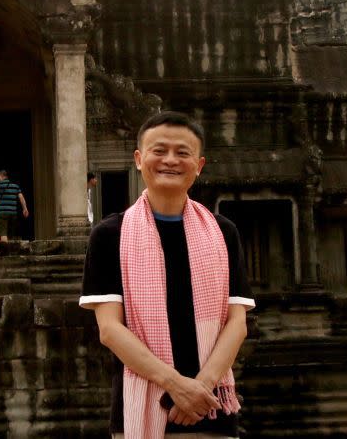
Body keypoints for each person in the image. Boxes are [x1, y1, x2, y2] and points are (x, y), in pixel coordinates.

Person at [79, 111, 255, 438]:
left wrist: (198, 390)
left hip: (210, 408)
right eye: (159, 151)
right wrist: (175, 385)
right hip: (142, 408)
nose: (170, 160)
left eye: (182, 152)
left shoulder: (223, 232)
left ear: (199, 165)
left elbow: (237, 322)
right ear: (138, 159)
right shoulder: (109, 235)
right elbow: (110, 329)